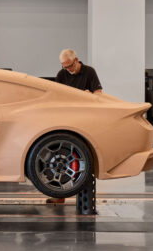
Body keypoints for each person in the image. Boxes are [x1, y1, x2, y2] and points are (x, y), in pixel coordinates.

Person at [47, 49, 103, 204]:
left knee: (83, 159)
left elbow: (98, 94)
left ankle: (85, 199)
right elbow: (56, 97)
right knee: (61, 158)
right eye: (64, 67)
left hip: (85, 120)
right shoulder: (62, 74)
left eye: (70, 66)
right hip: (66, 119)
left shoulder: (89, 72)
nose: (68, 69)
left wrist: (89, 96)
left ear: (76, 60)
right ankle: (60, 195)